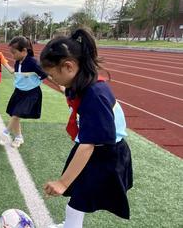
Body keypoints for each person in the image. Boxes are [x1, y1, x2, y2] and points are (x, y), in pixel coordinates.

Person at [40, 29, 133, 228]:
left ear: (68, 67)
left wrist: (62, 182)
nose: (51, 79)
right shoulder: (85, 83)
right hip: (98, 148)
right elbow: (70, 91)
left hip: (105, 155)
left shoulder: (95, 96)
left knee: (77, 201)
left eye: (52, 74)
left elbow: (88, 146)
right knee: (79, 198)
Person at [0, 36, 60, 148]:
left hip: (31, 94)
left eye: (14, 52)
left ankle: (5, 133)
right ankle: (18, 137)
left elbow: (47, 76)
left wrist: (60, 86)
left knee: (17, 113)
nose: (13, 56)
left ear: (24, 51)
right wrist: (3, 62)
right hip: (18, 92)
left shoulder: (33, 63)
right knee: (14, 115)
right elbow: (13, 72)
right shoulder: (17, 62)